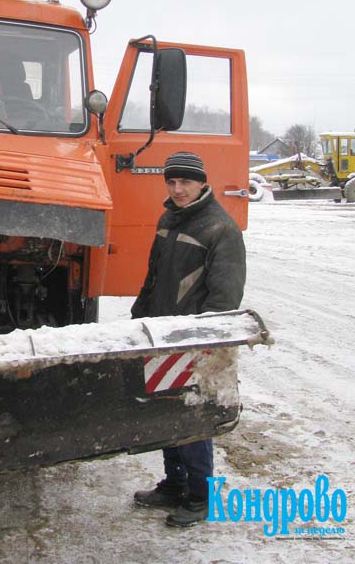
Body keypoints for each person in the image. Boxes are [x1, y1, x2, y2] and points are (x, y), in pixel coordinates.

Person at [131, 151, 246, 528]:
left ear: (201, 183)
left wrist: (207, 340)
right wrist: (138, 317)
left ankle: (201, 495)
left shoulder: (219, 228)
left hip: (193, 340)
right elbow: (152, 276)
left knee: (192, 416)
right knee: (166, 410)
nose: (178, 189)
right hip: (162, 334)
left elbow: (225, 296)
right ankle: (175, 482)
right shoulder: (169, 218)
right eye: (172, 182)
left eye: (185, 182)